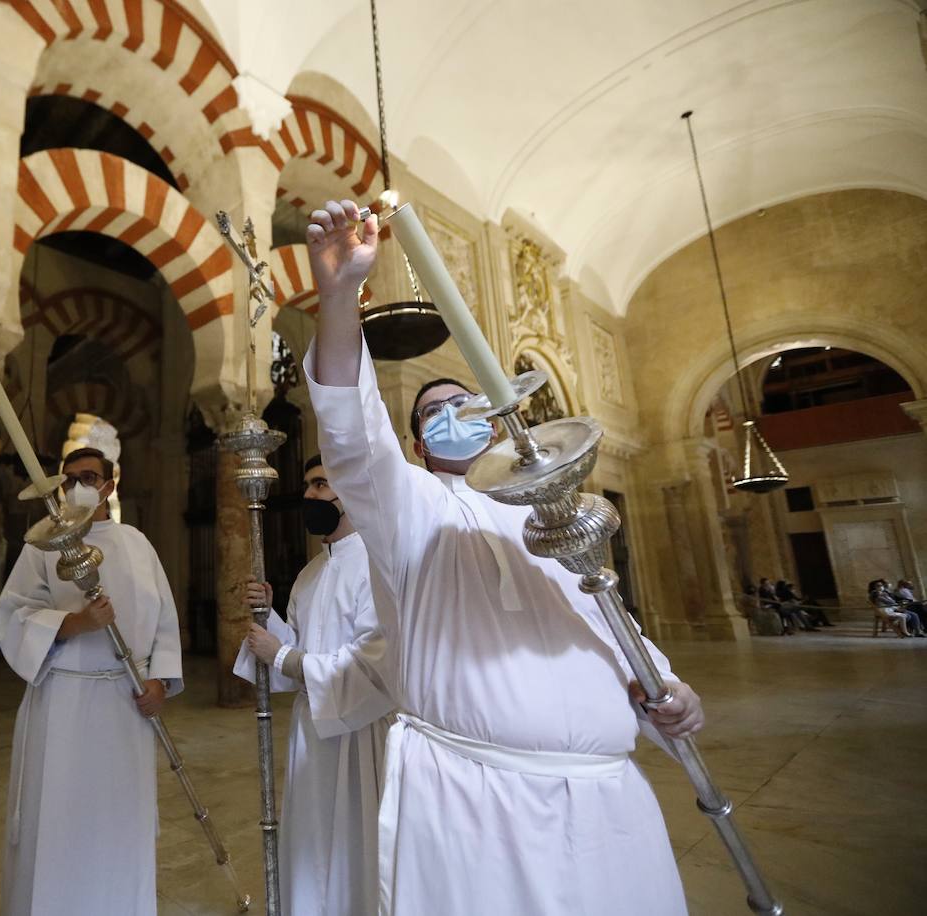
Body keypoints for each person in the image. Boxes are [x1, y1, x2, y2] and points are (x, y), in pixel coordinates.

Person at [301, 199, 704, 915]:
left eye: (467, 403)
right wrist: (339, 299)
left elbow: (606, 613)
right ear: (420, 444)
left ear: (498, 422)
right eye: (432, 412)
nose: (454, 414)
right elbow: (353, 438)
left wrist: (667, 690)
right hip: (479, 805)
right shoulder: (413, 509)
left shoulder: (552, 511)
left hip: (610, 802)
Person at [0, 448, 183, 916]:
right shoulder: (40, 547)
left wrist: (159, 681)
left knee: (119, 819)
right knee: (60, 816)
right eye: (71, 477)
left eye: (89, 476)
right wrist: (74, 624)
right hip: (64, 700)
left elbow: (164, 619)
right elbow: (14, 614)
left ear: (109, 486)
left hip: (126, 702)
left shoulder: (137, 543)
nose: (79, 485)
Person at [232, 453, 397, 916]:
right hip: (312, 729)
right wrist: (272, 619)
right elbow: (299, 649)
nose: (309, 495)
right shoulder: (309, 573)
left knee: (352, 845)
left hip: (358, 732)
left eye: (321, 484)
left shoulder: (376, 563)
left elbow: (371, 660)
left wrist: (282, 654)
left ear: (351, 492)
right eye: (307, 485)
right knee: (310, 837)